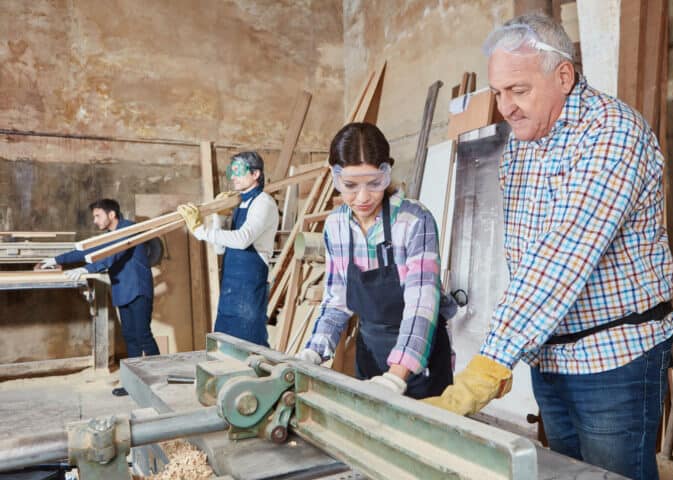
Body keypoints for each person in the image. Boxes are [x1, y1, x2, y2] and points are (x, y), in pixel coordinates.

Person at [424, 13, 673, 480]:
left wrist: (489, 366)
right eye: (499, 92)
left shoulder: (611, 134)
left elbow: (560, 258)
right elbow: (525, 256)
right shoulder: (525, 139)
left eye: (518, 90)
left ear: (563, 76)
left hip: (613, 358)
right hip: (550, 354)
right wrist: (513, 348)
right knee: (567, 473)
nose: (506, 107)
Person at [296, 122, 453, 399]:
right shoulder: (336, 226)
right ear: (335, 178)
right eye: (350, 185)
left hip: (419, 358)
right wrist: (314, 352)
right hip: (369, 354)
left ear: (386, 173)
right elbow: (337, 300)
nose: (363, 197)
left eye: (374, 183)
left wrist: (397, 376)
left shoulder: (414, 220)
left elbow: (422, 304)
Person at [39, 198, 159, 396]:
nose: (94, 220)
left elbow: (112, 255)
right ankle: (134, 383)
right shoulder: (110, 235)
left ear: (111, 215)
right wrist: (55, 259)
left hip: (138, 289)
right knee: (130, 338)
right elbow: (90, 250)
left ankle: (160, 378)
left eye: (97, 216)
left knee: (143, 336)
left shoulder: (128, 229)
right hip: (123, 291)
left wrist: (87, 268)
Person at [177, 151, 279, 346]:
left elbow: (242, 240)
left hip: (249, 290)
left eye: (239, 171)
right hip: (230, 291)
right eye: (231, 171)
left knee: (250, 348)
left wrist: (199, 230)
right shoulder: (241, 203)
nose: (233, 177)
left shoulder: (263, 203)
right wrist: (219, 217)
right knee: (224, 346)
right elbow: (220, 249)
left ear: (256, 174)